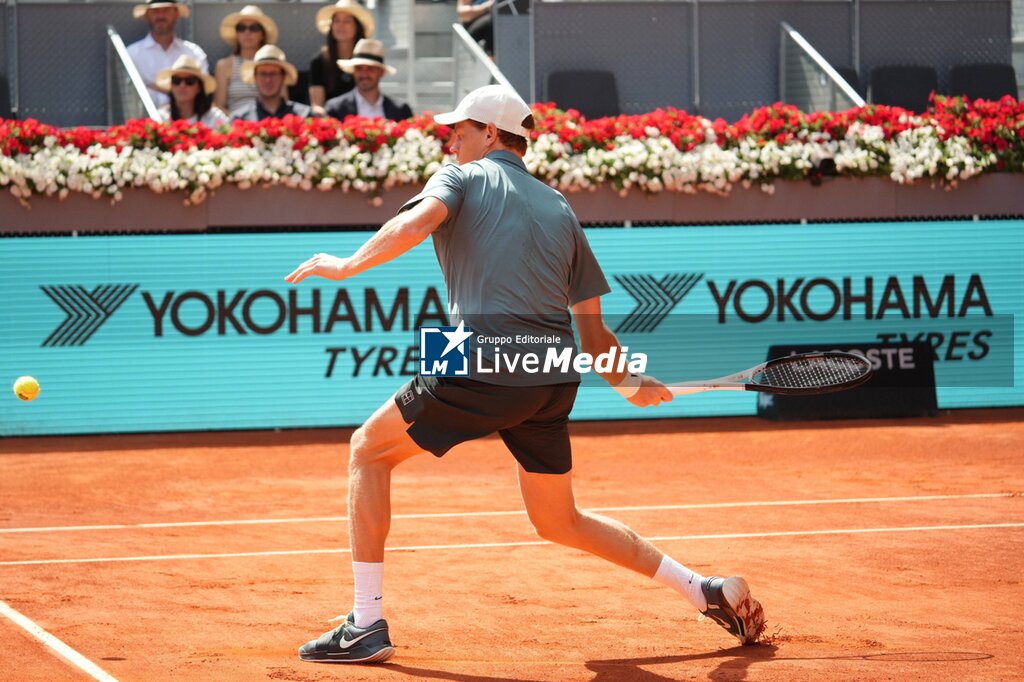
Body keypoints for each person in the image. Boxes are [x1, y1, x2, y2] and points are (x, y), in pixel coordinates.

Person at [284, 84, 767, 664]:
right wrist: (630, 384)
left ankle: (365, 623)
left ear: (490, 133)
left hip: (476, 351)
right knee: (560, 519)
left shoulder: (460, 177)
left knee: (368, 450)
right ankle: (703, 589)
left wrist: (345, 265)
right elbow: (594, 337)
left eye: (459, 131)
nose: (450, 141)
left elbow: (414, 225)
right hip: (550, 372)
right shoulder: (561, 207)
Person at [126, 0, 209, 108]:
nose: (161, 16)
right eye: (155, 11)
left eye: (166, 10)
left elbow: (203, 88)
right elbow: (130, 95)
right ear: (147, 15)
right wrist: (181, 90)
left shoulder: (194, 52)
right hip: (145, 118)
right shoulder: (132, 54)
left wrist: (154, 87)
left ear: (176, 14)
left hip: (188, 117)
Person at [309, 0, 375, 111]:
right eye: (336, 21)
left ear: (357, 26)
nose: (340, 25)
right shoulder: (319, 61)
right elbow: (317, 105)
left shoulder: (366, 60)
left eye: (347, 21)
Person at [324, 39, 412, 121]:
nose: (364, 74)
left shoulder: (401, 110)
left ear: (381, 72)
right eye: (359, 68)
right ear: (353, 72)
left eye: (370, 68)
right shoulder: (336, 109)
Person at [213, 5, 278, 114]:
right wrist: (239, 121)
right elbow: (219, 106)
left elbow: (282, 101)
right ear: (236, 34)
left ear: (262, 34)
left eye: (254, 28)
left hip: (267, 122)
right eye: (241, 28)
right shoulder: (224, 65)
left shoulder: (275, 63)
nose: (247, 32)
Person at [230, 45, 312, 122]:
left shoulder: (304, 116)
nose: (268, 80)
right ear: (255, 77)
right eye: (263, 74)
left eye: (273, 74)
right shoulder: (239, 119)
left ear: (283, 77)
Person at [154, 56, 228, 127]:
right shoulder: (161, 118)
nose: (182, 85)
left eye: (189, 81)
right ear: (171, 86)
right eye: (177, 81)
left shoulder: (215, 118)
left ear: (199, 88)